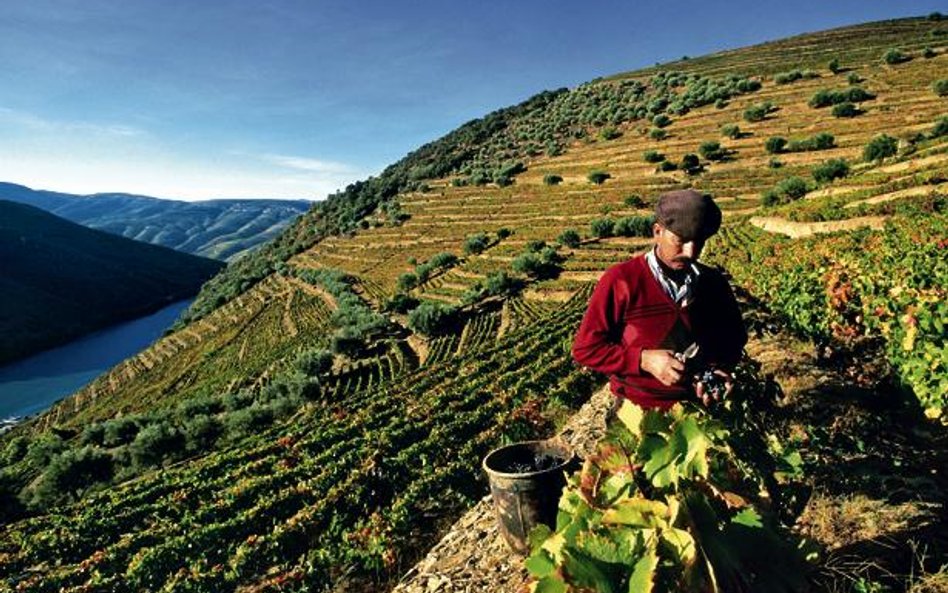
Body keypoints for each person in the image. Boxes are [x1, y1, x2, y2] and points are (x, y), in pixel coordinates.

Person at [572, 189, 746, 411]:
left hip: (697, 410)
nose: (691, 253)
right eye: (681, 241)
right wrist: (643, 359)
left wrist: (714, 369)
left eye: (699, 242)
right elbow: (586, 349)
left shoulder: (713, 283)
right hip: (637, 411)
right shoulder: (621, 281)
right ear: (657, 232)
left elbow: (734, 337)